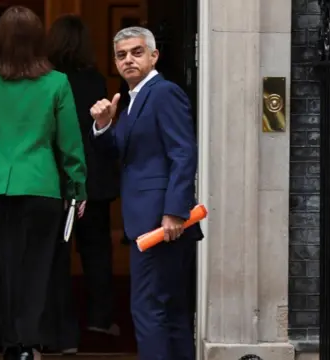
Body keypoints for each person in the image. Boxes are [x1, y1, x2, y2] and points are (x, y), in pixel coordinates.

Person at [0, 6, 87, 360]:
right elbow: (70, 143)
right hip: (40, 184)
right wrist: (77, 188)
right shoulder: (57, 82)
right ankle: (28, 343)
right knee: (37, 268)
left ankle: (9, 343)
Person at [89, 27, 203, 360]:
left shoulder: (163, 92)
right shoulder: (131, 99)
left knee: (149, 309)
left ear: (154, 56)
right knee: (169, 311)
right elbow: (122, 156)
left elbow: (183, 152)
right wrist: (104, 125)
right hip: (149, 220)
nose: (129, 60)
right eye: (121, 55)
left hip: (160, 223)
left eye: (137, 52)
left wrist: (175, 212)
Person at [43, 15, 121, 354]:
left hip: (57, 178)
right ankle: (99, 318)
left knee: (57, 255)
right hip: (94, 178)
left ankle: (61, 326)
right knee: (97, 252)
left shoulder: (45, 81)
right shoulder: (94, 81)